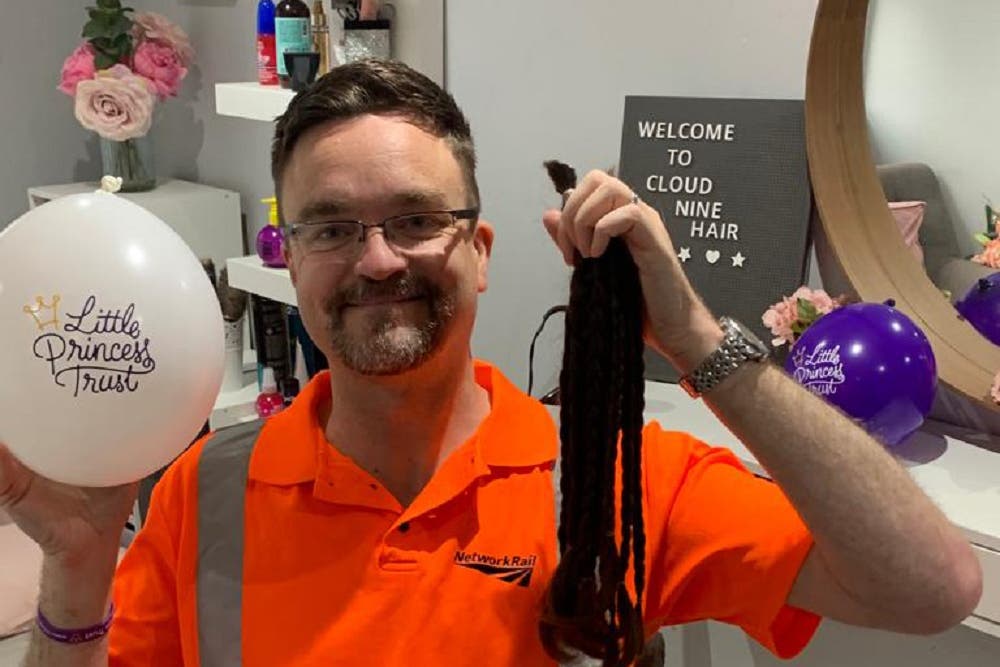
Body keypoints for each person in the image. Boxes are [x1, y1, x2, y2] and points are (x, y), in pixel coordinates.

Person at [0, 59, 982, 667]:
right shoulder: (202, 494)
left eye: (416, 220)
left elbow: (930, 589)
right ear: (289, 260)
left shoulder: (613, 479)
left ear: (480, 249)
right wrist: (77, 574)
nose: (378, 259)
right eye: (334, 227)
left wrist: (696, 338)